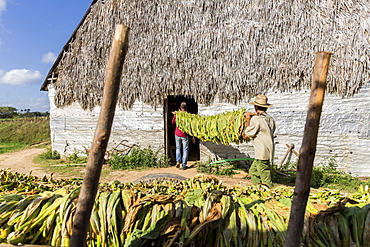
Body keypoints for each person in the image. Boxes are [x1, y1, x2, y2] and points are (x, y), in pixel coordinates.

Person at [243, 94, 276, 188]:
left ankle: (270, 191)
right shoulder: (270, 119)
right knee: (253, 171)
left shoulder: (256, 119)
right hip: (268, 150)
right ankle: (258, 188)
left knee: (265, 175)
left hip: (261, 152)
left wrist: (248, 120)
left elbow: (247, 134)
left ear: (255, 107)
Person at [172, 102, 194, 170]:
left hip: (177, 134)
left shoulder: (177, 114)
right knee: (185, 149)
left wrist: (175, 115)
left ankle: (178, 160)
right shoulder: (188, 115)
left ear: (180, 107)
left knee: (178, 148)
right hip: (184, 134)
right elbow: (191, 125)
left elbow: (173, 122)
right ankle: (184, 165)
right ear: (186, 107)